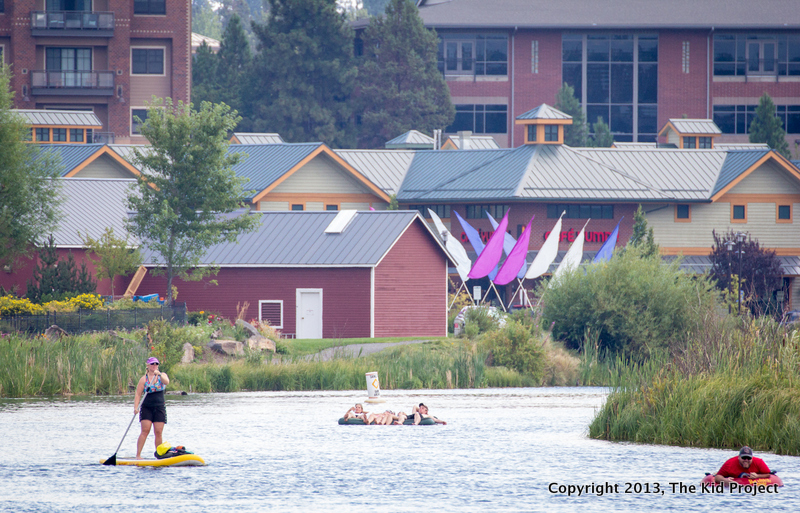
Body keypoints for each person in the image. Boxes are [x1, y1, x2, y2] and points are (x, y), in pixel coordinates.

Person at [134, 356, 170, 459]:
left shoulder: (162, 375)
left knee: (158, 432)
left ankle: (159, 455)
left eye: (156, 364)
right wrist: (136, 408)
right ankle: (138, 455)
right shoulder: (143, 379)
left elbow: (166, 382)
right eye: (152, 364)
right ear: (148, 366)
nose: (154, 366)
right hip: (147, 407)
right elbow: (138, 394)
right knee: (145, 431)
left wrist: (158, 374)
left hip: (159, 407)